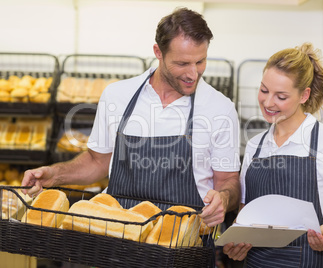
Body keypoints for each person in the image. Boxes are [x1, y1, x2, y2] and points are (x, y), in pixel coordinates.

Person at [22, 7, 240, 228]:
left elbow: (229, 182)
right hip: (118, 236)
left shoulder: (219, 108)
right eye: (182, 63)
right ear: (158, 52)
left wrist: (223, 199)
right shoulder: (118, 95)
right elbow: (98, 162)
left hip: (185, 242)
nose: (193, 74)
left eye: (200, 62)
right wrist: (54, 174)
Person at [223, 43, 323, 267]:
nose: (268, 103)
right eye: (264, 90)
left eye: (281, 96)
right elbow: (245, 211)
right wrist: (236, 240)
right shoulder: (255, 146)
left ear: (304, 95)